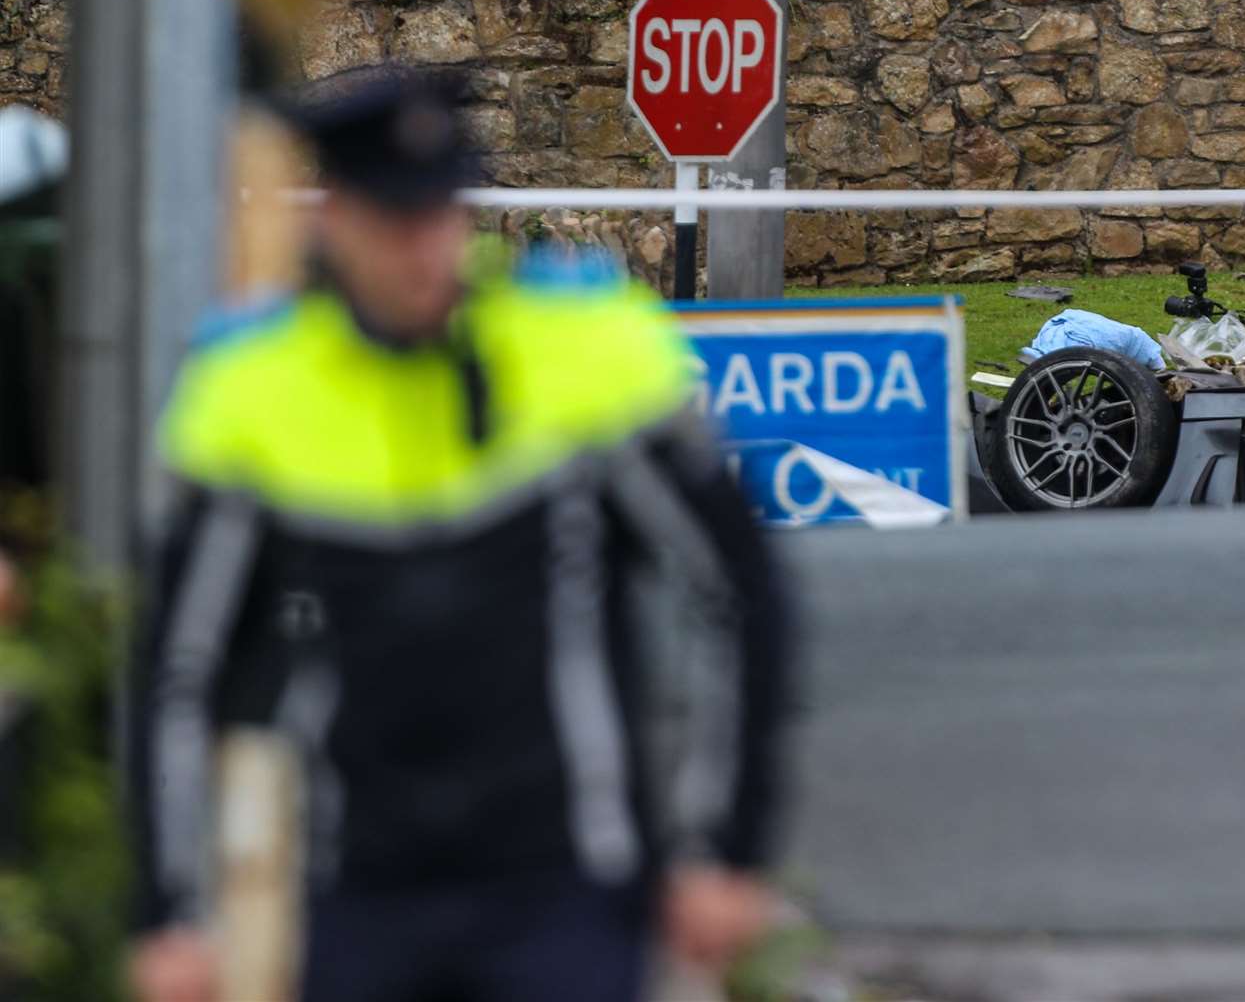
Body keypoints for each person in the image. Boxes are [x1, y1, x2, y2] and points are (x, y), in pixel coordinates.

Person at [127, 68, 795, 1002]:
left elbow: (736, 585)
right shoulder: (249, 392)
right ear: (334, 223)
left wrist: (725, 845)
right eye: (394, 222)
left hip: (566, 881)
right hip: (358, 893)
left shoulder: (586, 350)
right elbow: (177, 666)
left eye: (441, 214)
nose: (424, 250)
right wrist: (166, 914)